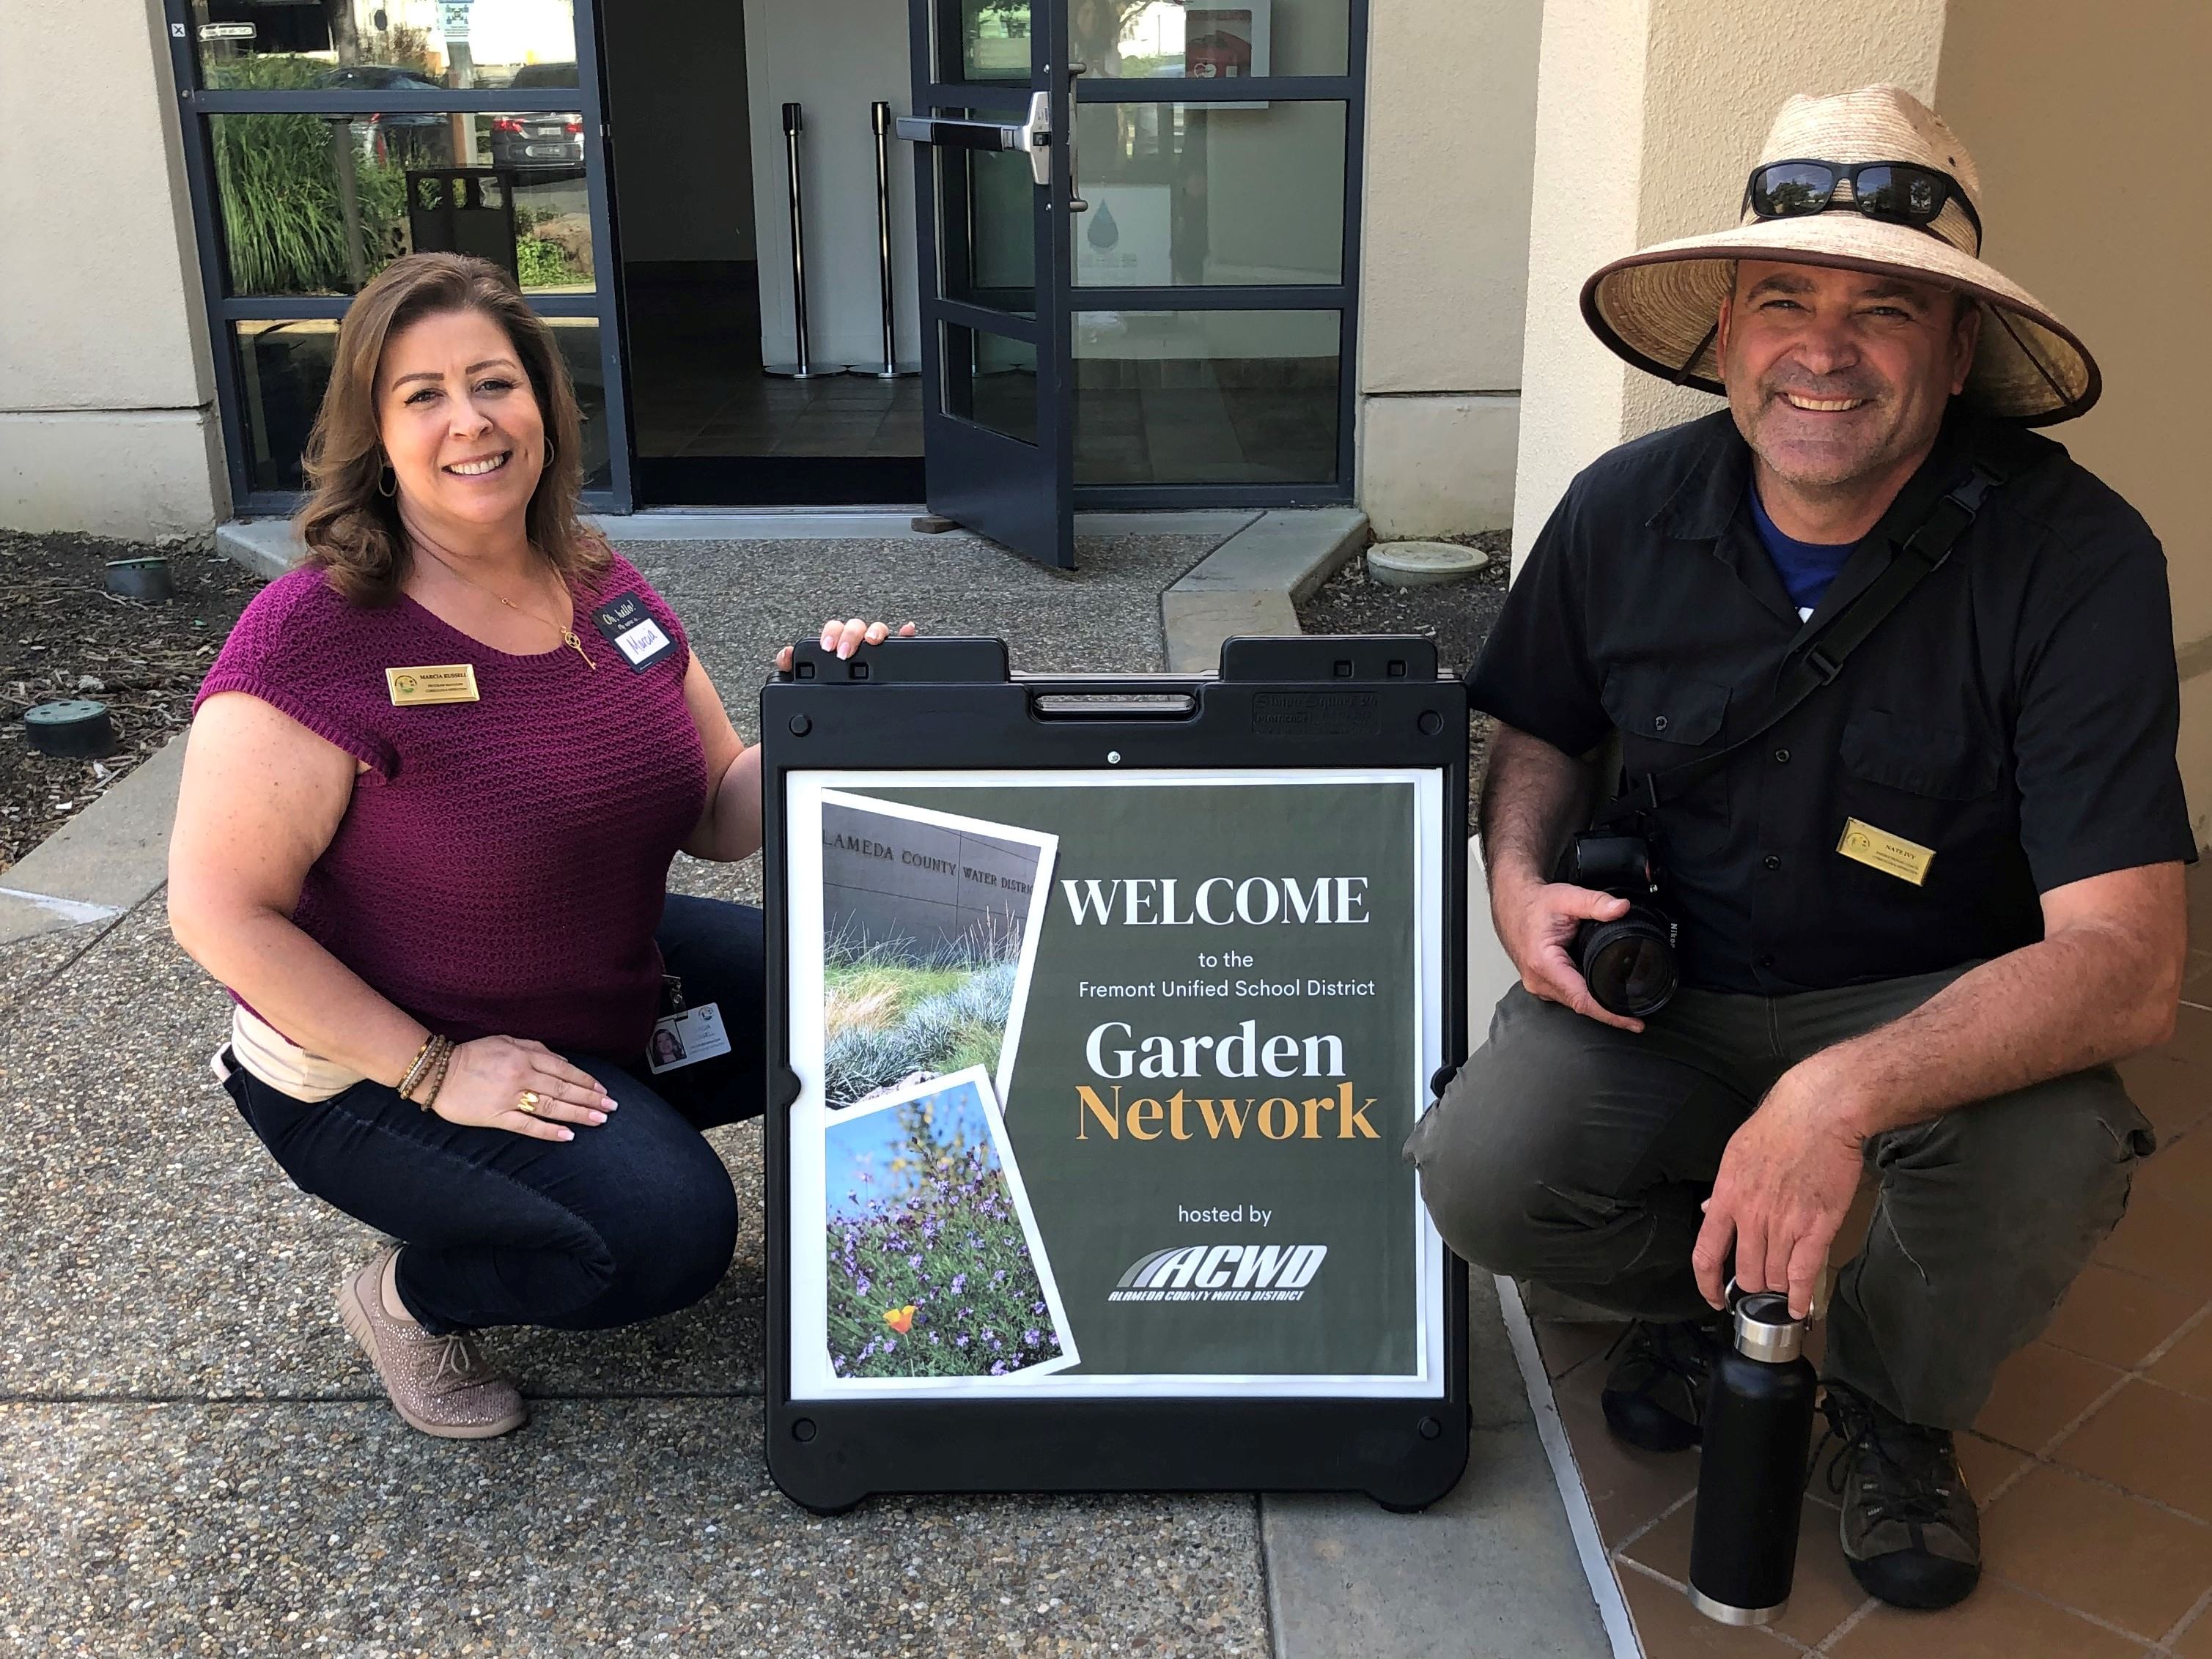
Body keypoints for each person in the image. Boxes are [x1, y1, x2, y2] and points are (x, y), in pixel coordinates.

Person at [1404, 86, 2191, 1611]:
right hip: (1674, 990)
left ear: (1959, 352)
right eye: (1784, 299)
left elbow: (2129, 964)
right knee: (1482, 1174)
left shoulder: (2080, 561)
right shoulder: (1624, 509)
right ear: (1724, 328)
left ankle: (1896, 1407)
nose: (1822, 351)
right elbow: (1546, 732)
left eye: (1884, 310)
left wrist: (1835, 1093)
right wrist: (1516, 883)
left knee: (2050, 1159)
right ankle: (1718, 1296)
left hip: (1933, 1000)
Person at [169, 252, 912, 1440]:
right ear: (375, 428)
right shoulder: (314, 633)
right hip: (372, 1063)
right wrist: (433, 1070)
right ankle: (408, 1295)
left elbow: (718, 812)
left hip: (592, 982)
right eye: (422, 395)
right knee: (665, 1237)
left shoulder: (594, 580)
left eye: (494, 383)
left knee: (862, 996)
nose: (470, 421)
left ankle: (579, 1152)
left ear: (544, 407)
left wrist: (824, 717)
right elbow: (217, 911)